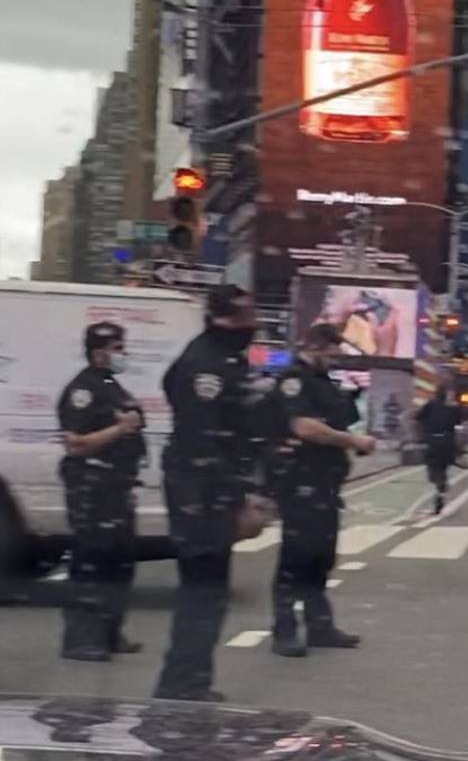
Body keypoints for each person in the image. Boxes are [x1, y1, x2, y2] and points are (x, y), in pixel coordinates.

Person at [153, 285, 259, 702]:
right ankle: (181, 685)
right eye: (245, 315)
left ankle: (190, 680)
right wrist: (236, 500)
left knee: (208, 595)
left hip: (206, 490)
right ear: (221, 318)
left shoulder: (224, 359)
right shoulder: (206, 366)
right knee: (202, 593)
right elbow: (205, 442)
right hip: (198, 493)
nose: (253, 323)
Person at [268, 323, 377, 658]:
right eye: (331, 353)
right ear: (314, 346)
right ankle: (284, 629)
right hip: (299, 482)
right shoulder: (293, 380)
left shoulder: (324, 383)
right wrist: (351, 441)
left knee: (321, 558)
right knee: (296, 557)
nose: (335, 359)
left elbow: (340, 423)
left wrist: (352, 440)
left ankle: (319, 626)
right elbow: (304, 427)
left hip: (325, 485)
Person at [55, 322, 146, 661]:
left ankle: (109, 632)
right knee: (91, 563)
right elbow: (75, 444)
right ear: (99, 352)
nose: (123, 353)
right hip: (91, 488)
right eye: (118, 347)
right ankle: (80, 639)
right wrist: (120, 428)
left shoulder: (113, 387)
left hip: (117, 488)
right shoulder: (83, 391)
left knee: (119, 563)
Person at [415, 386, 463, 515]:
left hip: (432, 441)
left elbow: (417, 418)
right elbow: (459, 423)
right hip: (448, 443)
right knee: (442, 468)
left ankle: (440, 484)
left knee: (433, 469)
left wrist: (421, 433)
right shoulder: (453, 408)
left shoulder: (430, 405)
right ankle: (441, 487)